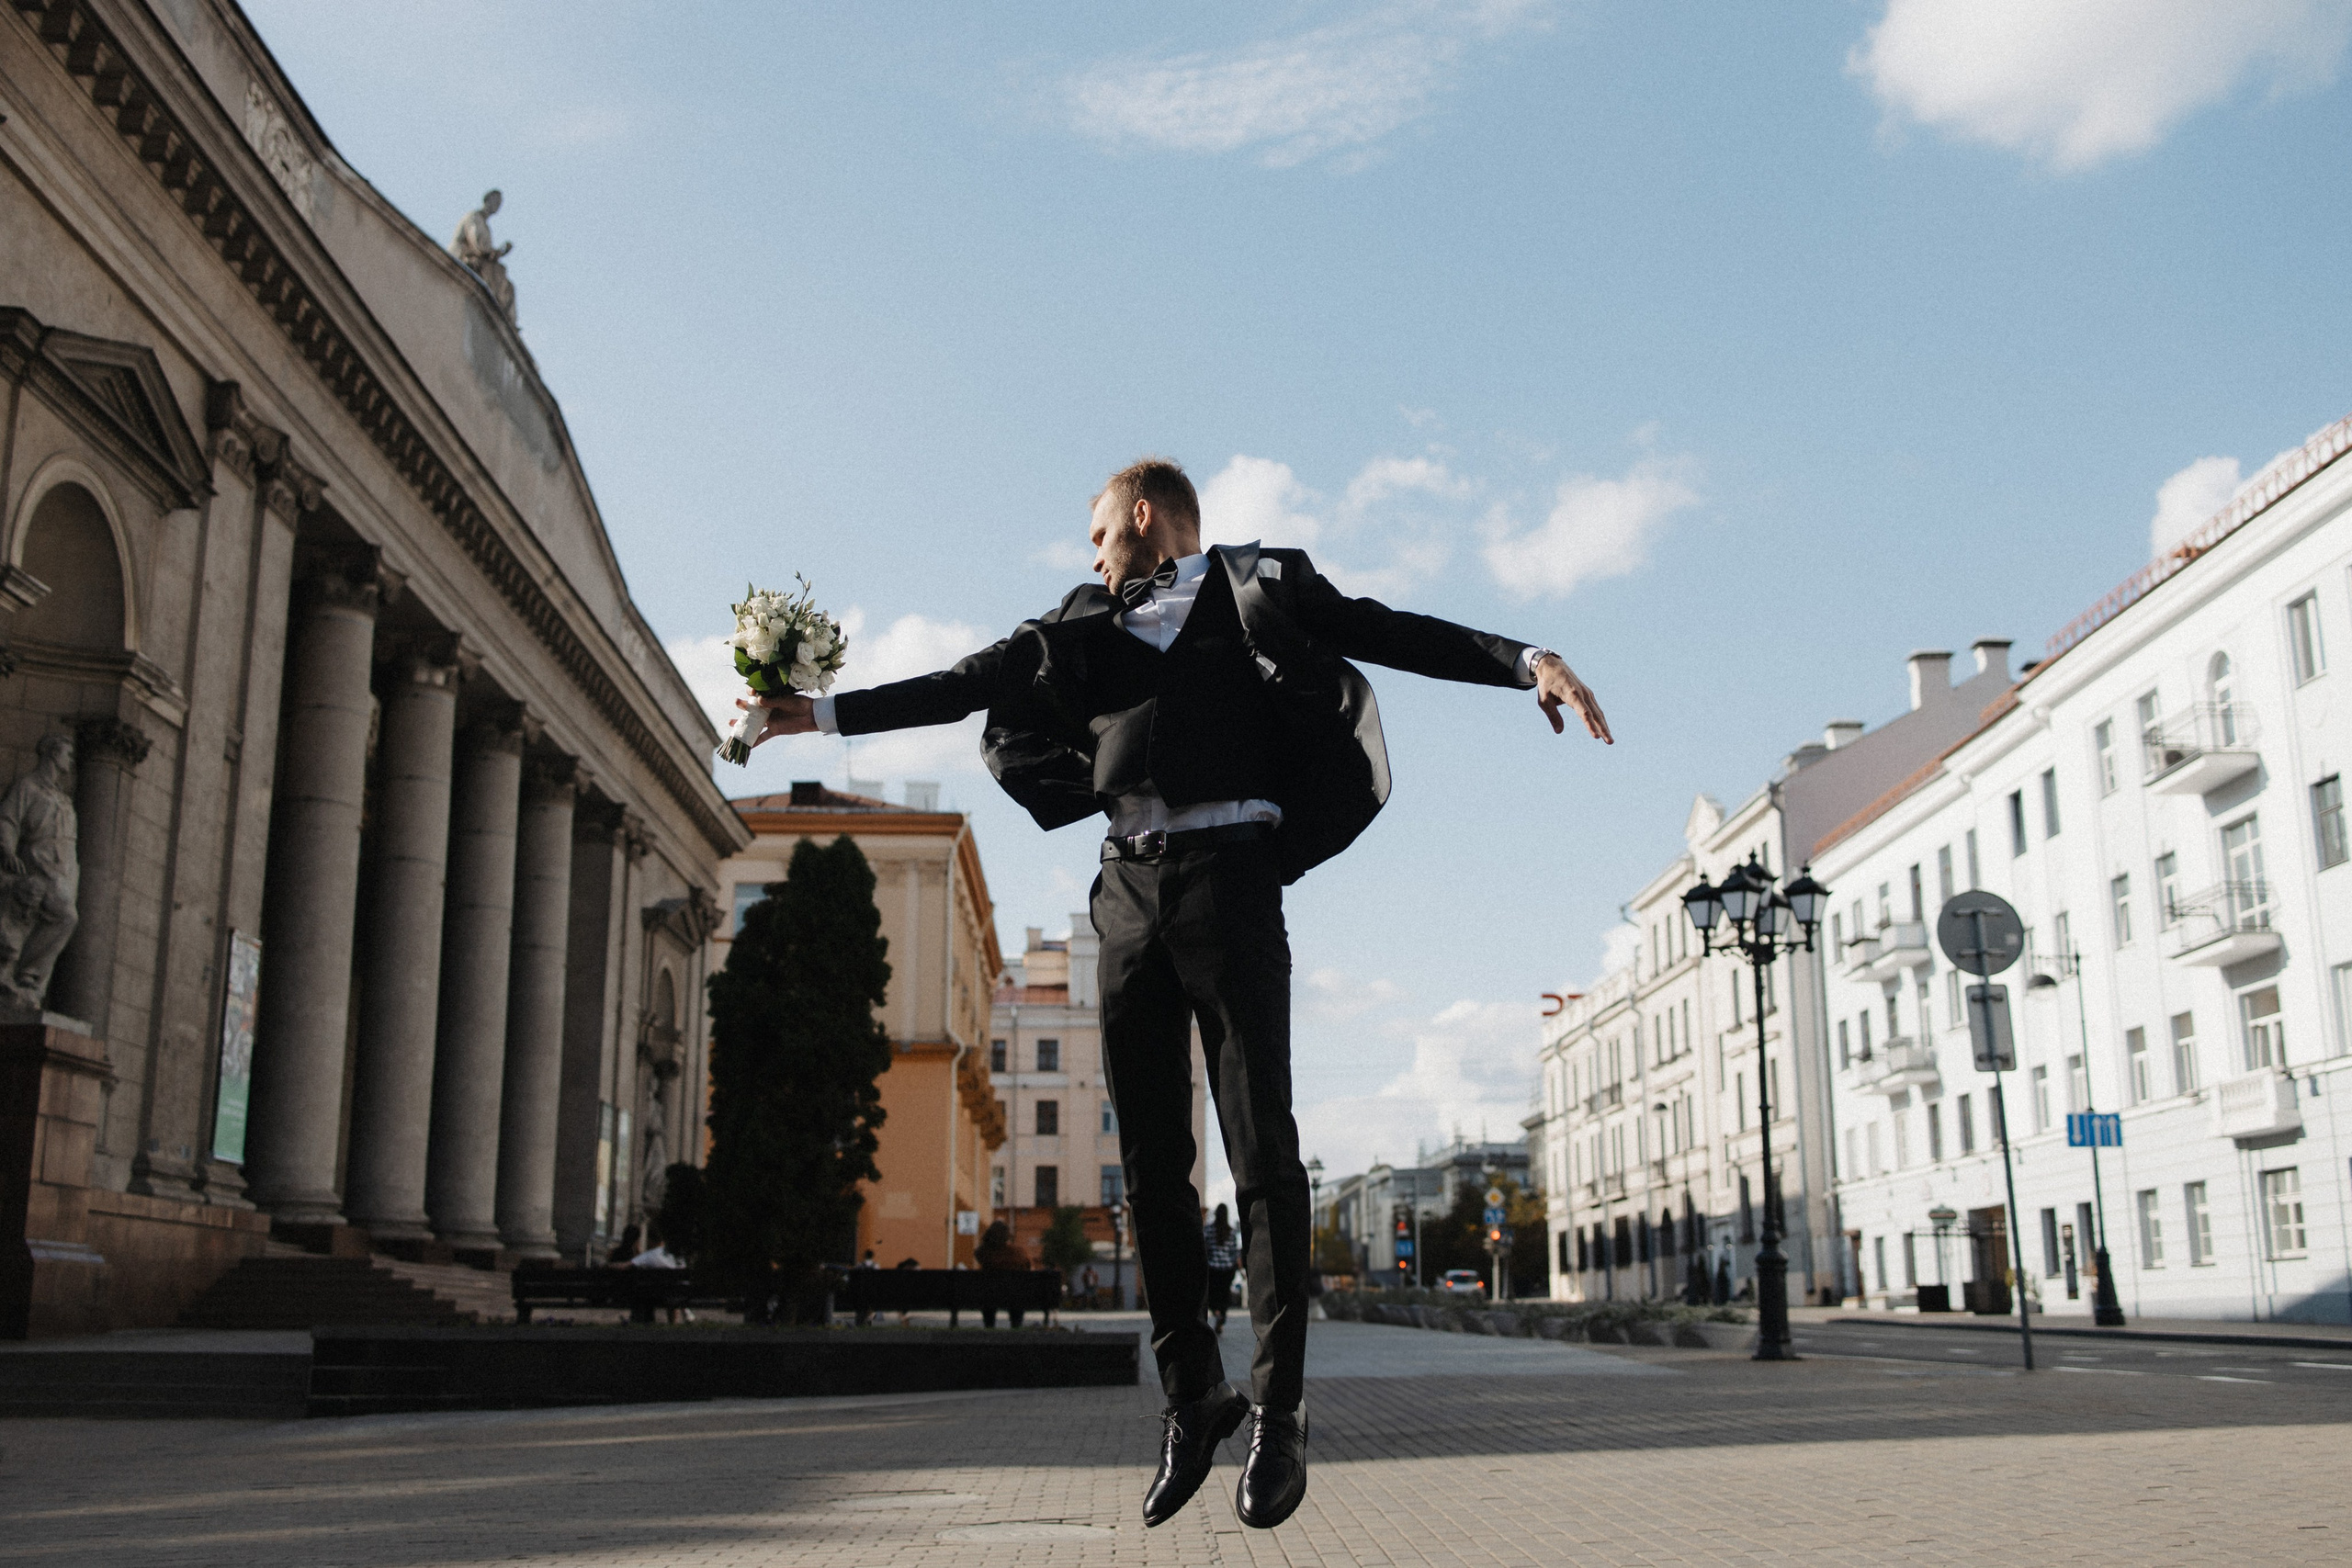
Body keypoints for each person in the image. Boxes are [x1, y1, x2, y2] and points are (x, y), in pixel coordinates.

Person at [741, 457, 1609, 1530]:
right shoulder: (1079, 622)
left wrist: (1527, 661)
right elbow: (970, 680)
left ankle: (1279, 1413)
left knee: (1260, 1151)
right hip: (1127, 895)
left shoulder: (1259, 587)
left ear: (1144, 517)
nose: (1092, 552)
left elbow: (1388, 630)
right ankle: (1194, 1395)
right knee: (1150, 1164)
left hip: (1233, 880)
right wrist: (817, 714)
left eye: (1099, 531)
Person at [975, 1219, 1033, 1328]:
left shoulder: (984, 1253)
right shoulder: (1018, 1252)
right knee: (1017, 1299)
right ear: (1007, 1235)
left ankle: (989, 1325)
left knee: (988, 1299)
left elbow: (978, 1255)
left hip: (990, 1295)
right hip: (1015, 1296)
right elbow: (1027, 1267)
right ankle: (1016, 1325)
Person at [1203, 1205, 1239, 1334]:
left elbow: (1204, 1248)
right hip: (1228, 1269)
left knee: (1212, 1294)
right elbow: (1234, 1252)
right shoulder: (1232, 1231)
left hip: (1213, 1268)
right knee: (1224, 1295)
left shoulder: (1208, 1229)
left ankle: (1217, 1313)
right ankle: (1222, 1317)